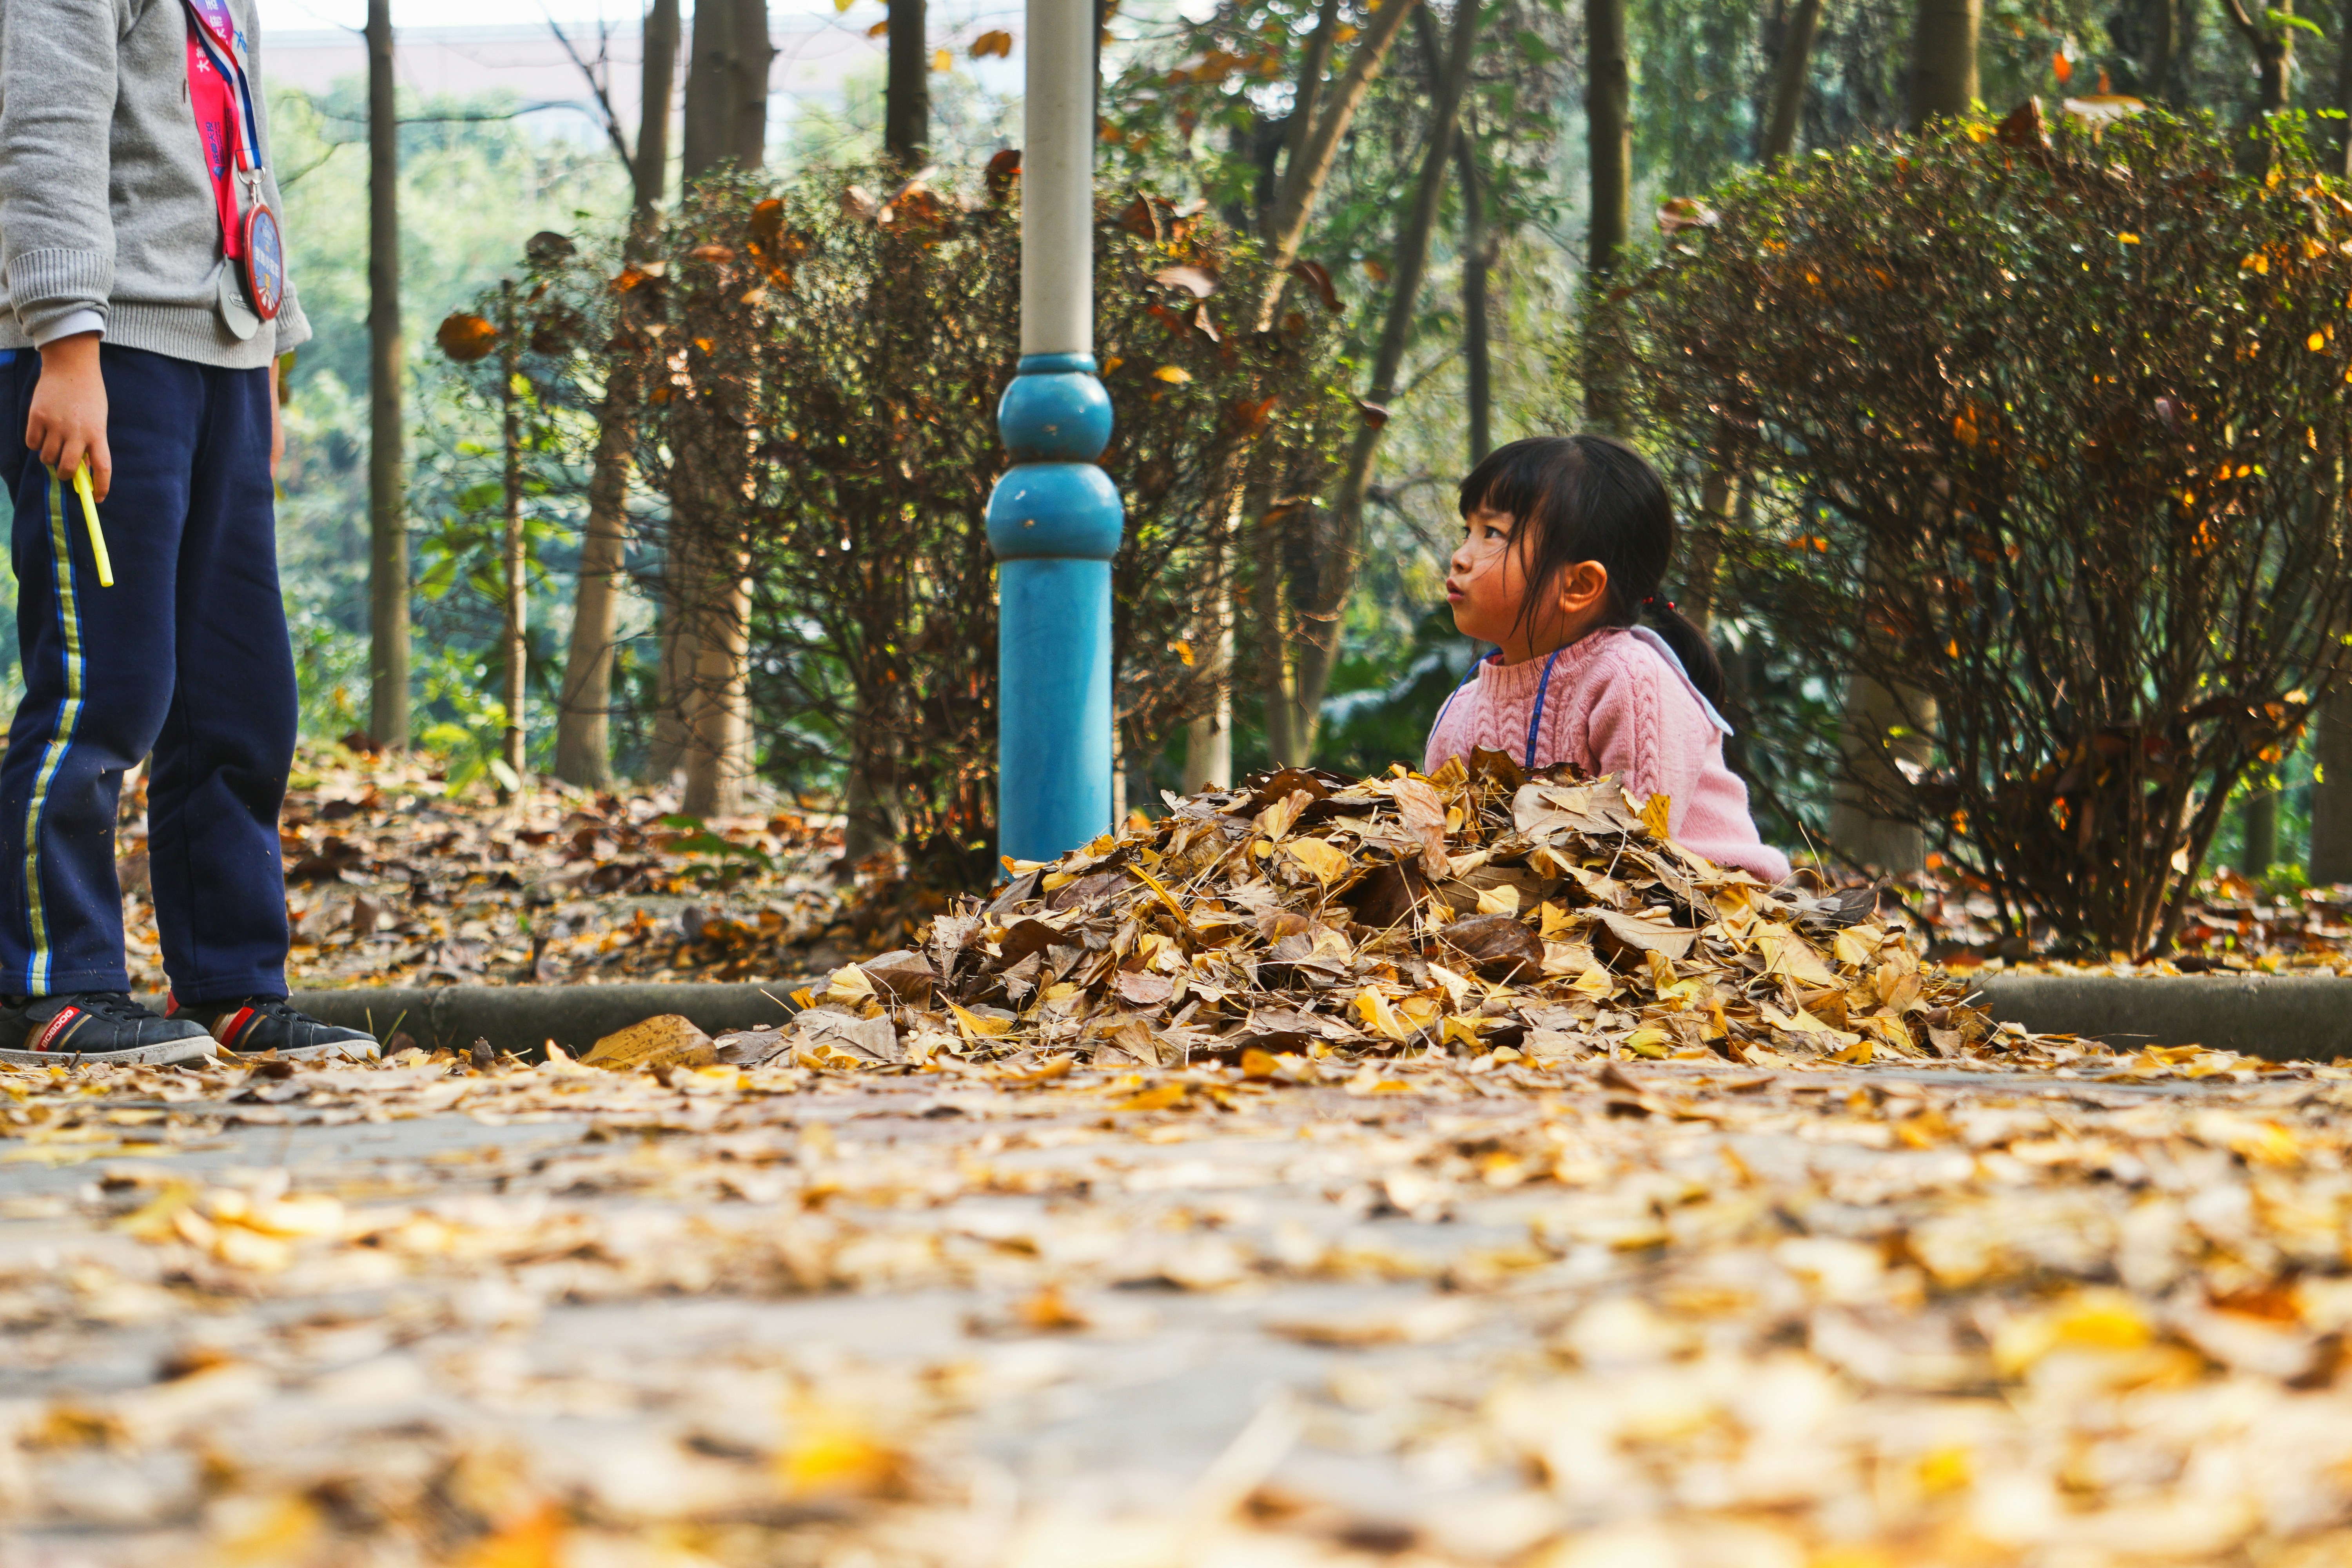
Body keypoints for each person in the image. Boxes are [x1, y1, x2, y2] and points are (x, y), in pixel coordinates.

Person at [0, 0, 375, 1065]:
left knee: (237, 698)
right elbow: (45, 129)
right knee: (104, 687)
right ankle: (51, 986)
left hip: (222, 360)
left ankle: (233, 985)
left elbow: (240, 160)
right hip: (105, 354)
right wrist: (66, 347)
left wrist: (268, 354)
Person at [1426, 434, 1791, 884]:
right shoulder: (1459, 710)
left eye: (1493, 533)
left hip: (1702, 903)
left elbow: (1638, 858)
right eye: (1468, 531)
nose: (1460, 557)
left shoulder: (1629, 681)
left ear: (1579, 586)